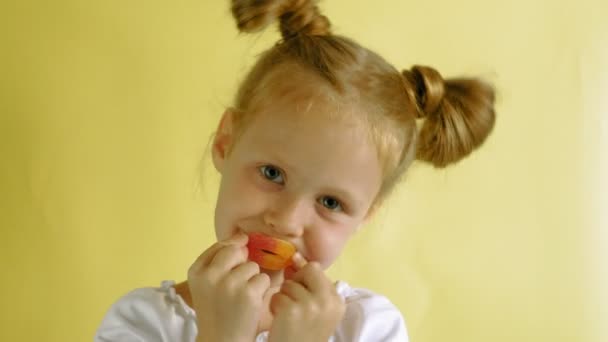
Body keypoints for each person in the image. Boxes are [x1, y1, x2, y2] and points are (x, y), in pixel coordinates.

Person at [95, 0, 496, 341]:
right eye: (271, 174)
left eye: (330, 201)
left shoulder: (369, 328)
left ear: (367, 213)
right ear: (225, 144)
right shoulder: (144, 323)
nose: (286, 221)